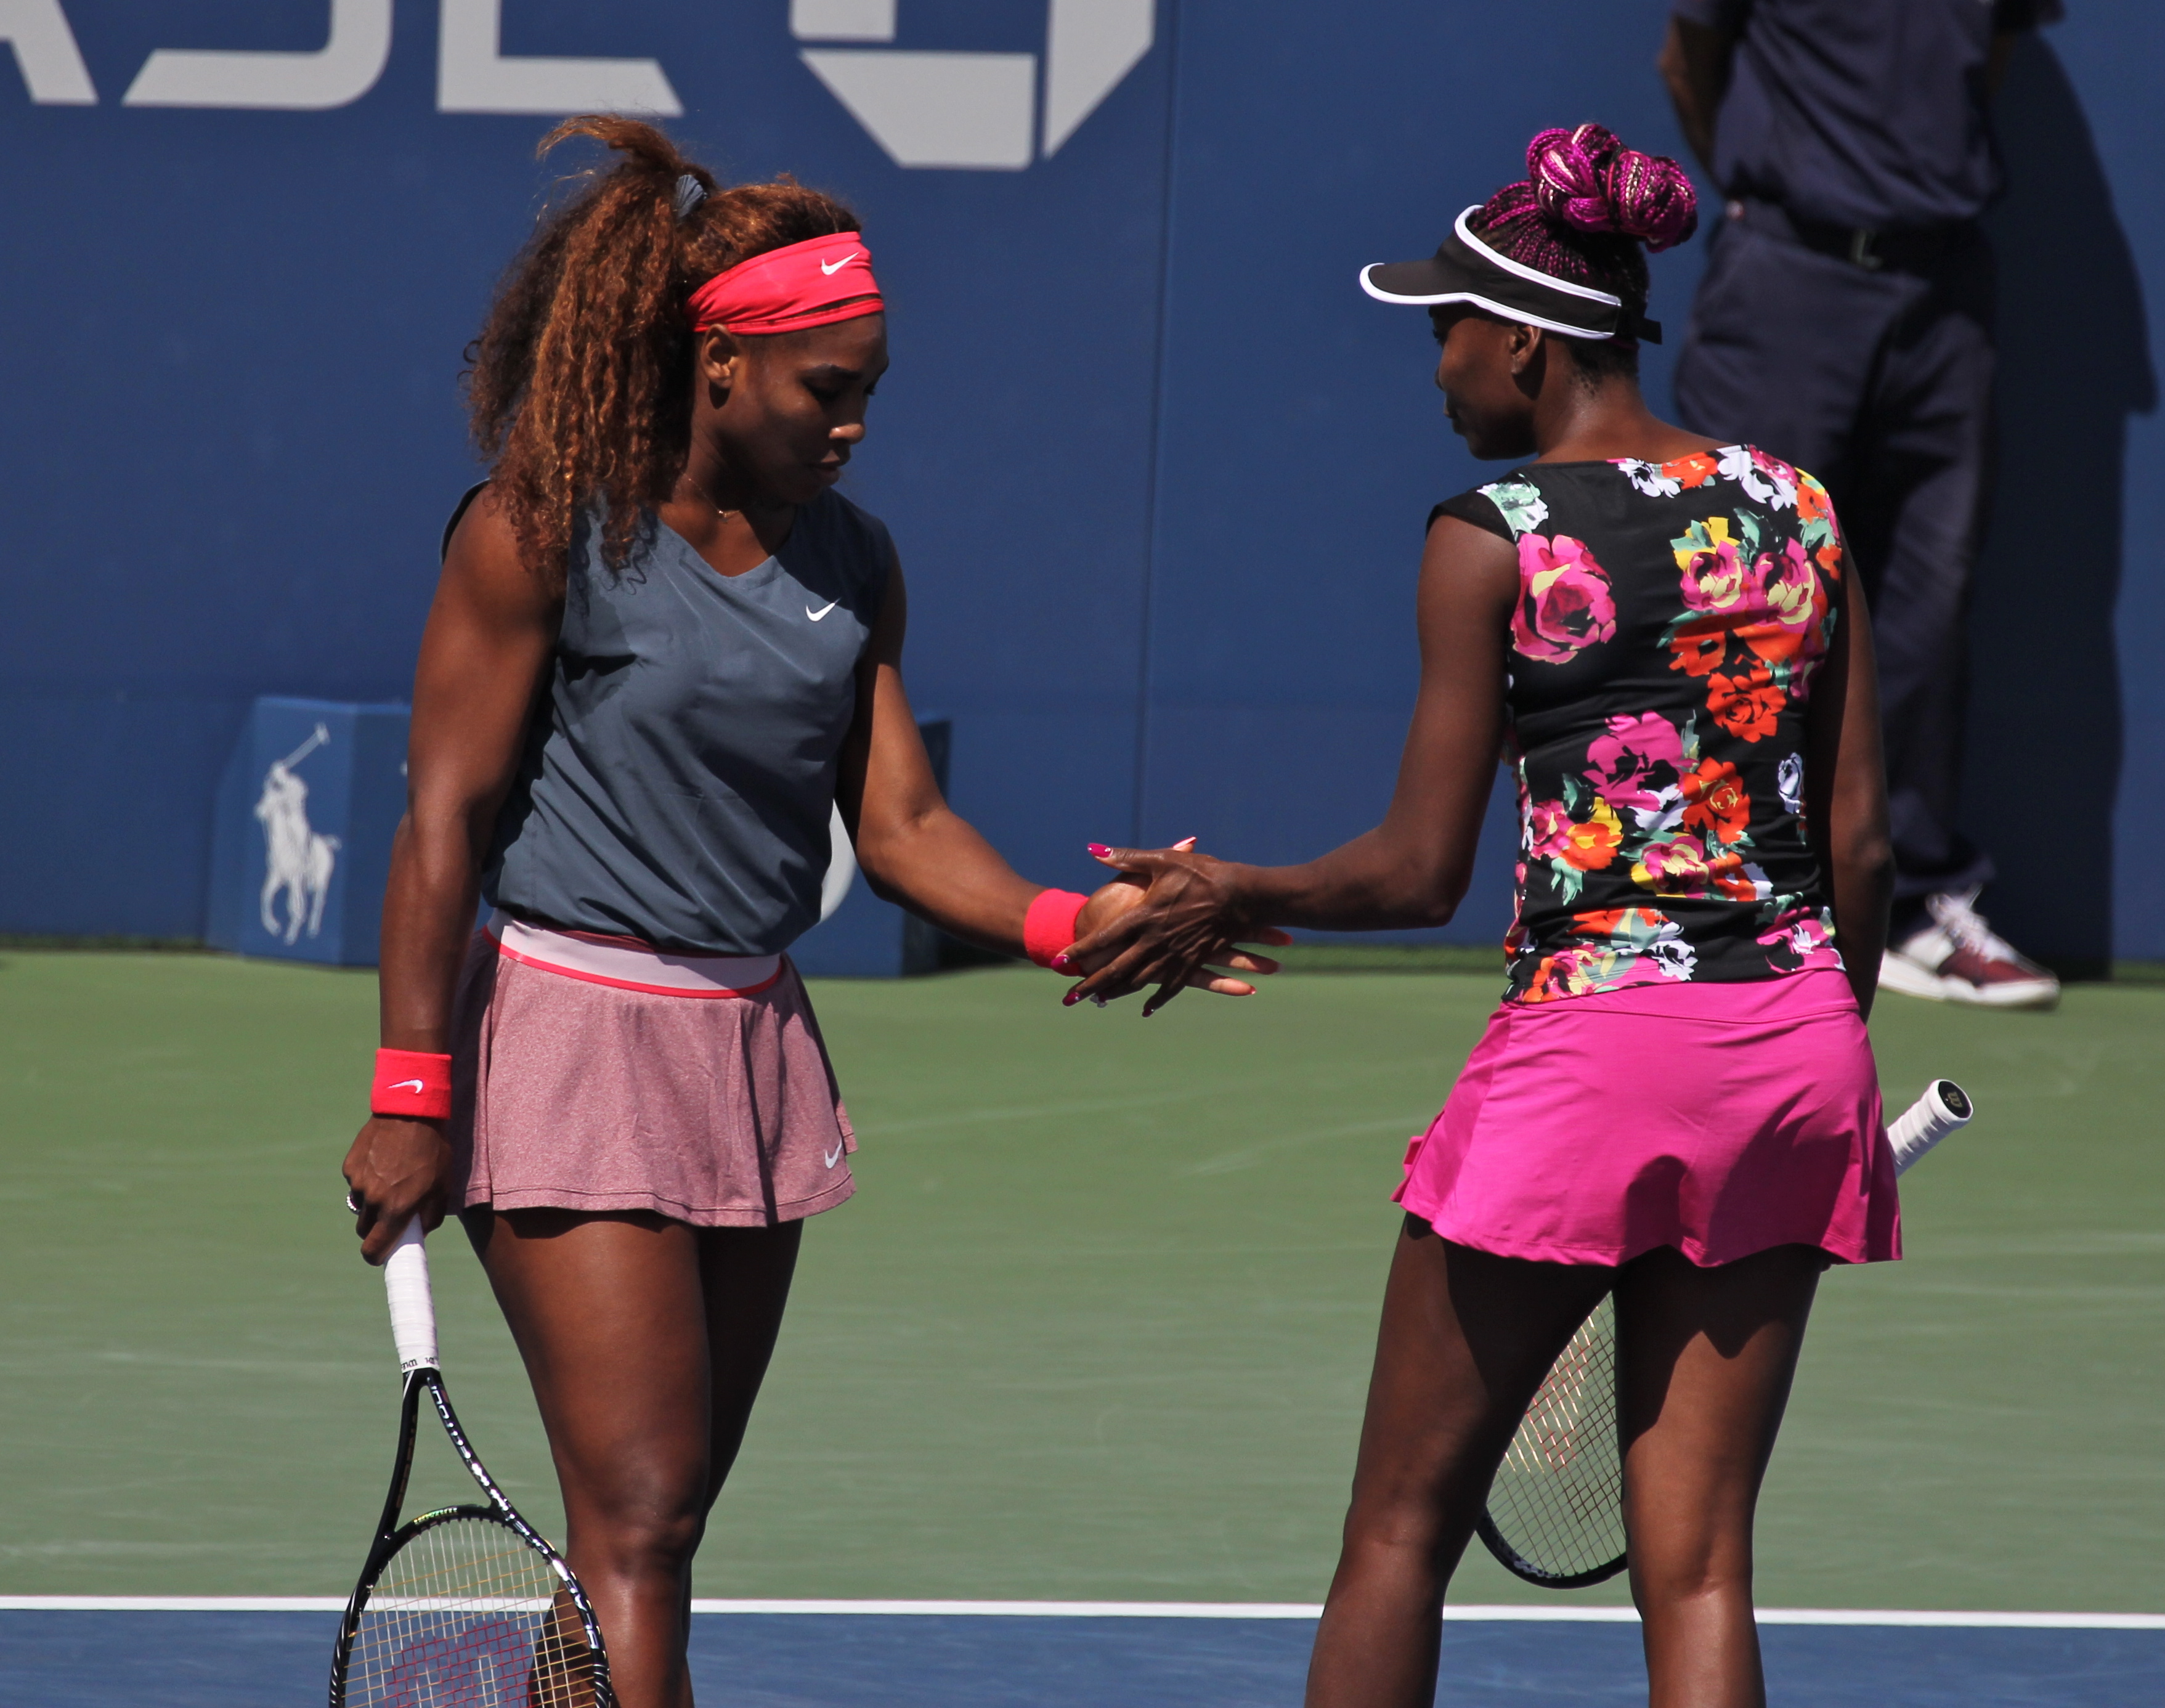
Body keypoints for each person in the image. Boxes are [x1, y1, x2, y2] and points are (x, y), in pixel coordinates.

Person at [338, 116, 1279, 1708]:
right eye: (823, 390)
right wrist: (411, 1092)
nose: (853, 425)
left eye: (870, 392)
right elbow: (441, 820)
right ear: (718, 363)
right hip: (567, 1033)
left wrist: (1074, 920)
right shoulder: (539, 526)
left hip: (754, 1049)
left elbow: (902, 825)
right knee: (637, 1519)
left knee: (653, 1521)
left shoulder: (856, 560)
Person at [1066, 126, 1901, 1708]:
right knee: (1706, 1565)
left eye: (1444, 327)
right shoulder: (1796, 506)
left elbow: (1414, 874)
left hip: (1590, 1058)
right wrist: (1806, 1046)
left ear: (1518, 336)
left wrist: (1232, 886)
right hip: (1792, 1054)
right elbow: (1855, 843)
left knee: (1395, 1531)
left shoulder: (1492, 534)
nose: (1434, 364)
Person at [1659, 0, 2066, 1010]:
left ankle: (1915, 904)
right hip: (1785, 282)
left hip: (1945, 290)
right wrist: (1794, 204)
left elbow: (1990, 59)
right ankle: (1719, 902)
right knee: (1741, 591)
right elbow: (1688, 60)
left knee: (1927, 600)